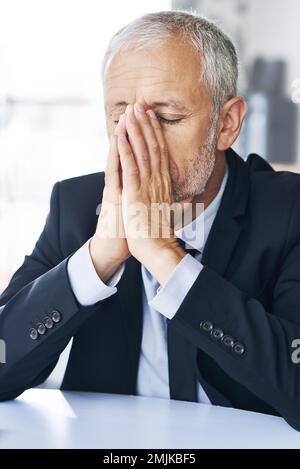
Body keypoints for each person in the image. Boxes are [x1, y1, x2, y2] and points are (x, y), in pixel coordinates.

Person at [1, 10, 300, 431]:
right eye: (120, 117)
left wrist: (165, 257)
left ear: (227, 124)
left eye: (166, 118)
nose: (138, 141)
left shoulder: (288, 210)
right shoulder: (78, 204)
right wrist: (97, 259)